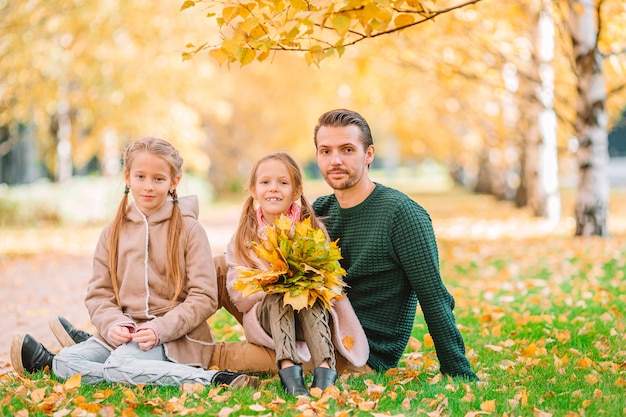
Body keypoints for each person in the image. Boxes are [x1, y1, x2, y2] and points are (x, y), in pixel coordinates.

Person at [10, 137, 258, 388]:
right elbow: (99, 295)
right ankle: (127, 370)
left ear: (174, 182)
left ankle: (213, 380)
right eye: (140, 177)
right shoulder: (112, 232)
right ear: (127, 177)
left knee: (120, 364)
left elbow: (204, 297)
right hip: (122, 337)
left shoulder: (190, 230)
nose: (148, 186)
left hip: (174, 338)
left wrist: (159, 329)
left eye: (158, 179)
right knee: (64, 362)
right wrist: (113, 324)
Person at [311, 109, 478, 379]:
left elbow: (434, 297)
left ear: (369, 155)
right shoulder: (321, 209)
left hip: (359, 353)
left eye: (347, 149)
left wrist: (458, 371)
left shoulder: (400, 214)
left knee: (233, 355)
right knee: (224, 268)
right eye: (325, 151)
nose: (335, 160)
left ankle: (216, 366)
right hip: (314, 333)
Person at [224, 152, 369, 395]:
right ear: (253, 190)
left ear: (296, 191)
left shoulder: (311, 229)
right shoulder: (243, 238)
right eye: (265, 182)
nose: (274, 189)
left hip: (307, 318)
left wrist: (305, 282)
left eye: (283, 182)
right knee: (281, 296)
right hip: (267, 317)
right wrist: (274, 282)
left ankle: (325, 371)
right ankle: (289, 371)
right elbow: (237, 292)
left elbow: (332, 280)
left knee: (309, 298)